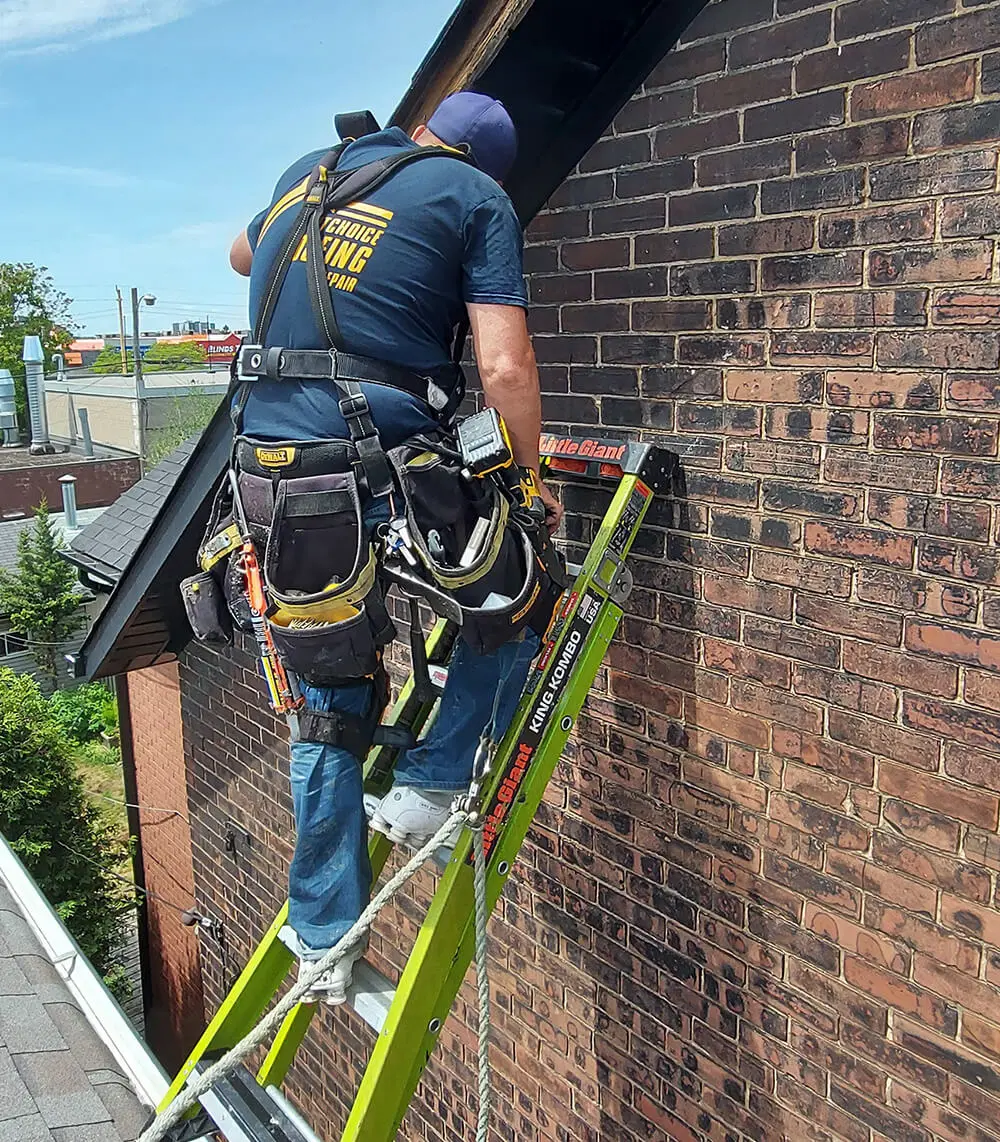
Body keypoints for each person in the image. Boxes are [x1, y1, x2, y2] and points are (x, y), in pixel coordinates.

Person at [228, 92, 562, 1002]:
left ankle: (322, 941)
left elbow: (241, 255)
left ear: (421, 132)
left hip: (270, 473)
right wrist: (527, 487)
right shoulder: (474, 197)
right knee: (520, 595)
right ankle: (433, 783)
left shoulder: (312, 171)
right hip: (375, 456)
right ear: (484, 165)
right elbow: (502, 365)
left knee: (328, 703)